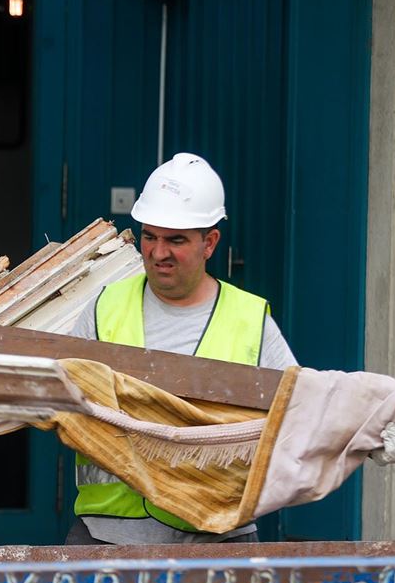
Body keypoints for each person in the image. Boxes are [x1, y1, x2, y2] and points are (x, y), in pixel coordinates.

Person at [66, 152, 297, 545]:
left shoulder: (250, 320)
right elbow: (62, 405)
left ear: (209, 242)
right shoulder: (105, 307)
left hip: (219, 539)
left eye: (175, 240)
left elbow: (299, 416)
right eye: (150, 237)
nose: (157, 253)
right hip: (107, 538)